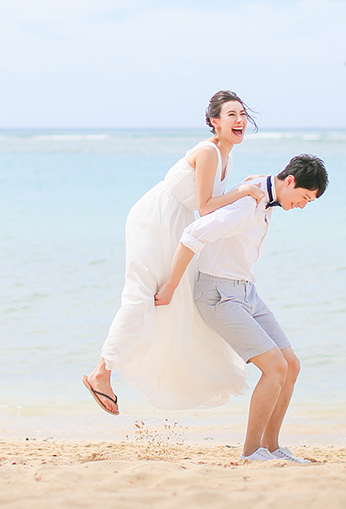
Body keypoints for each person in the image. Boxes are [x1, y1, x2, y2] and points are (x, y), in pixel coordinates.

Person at [82, 91, 265, 415]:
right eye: (231, 115)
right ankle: (101, 373)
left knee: (172, 301)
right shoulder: (209, 152)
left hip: (176, 221)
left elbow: (209, 204)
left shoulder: (226, 156)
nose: (239, 120)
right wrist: (243, 191)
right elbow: (208, 206)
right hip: (156, 217)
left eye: (242, 114)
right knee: (142, 296)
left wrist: (247, 186)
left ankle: (123, 369)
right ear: (214, 122)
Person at [154, 153, 328, 463]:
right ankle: (251, 452)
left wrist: (254, 181)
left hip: (247, 292)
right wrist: (170, 286)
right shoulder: (247, 205)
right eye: (304, 197)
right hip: (219, 295)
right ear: (290, 182)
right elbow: (193, 234)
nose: (302, 205)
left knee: (292, 365)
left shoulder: (263, 190)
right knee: (275, 368)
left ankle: (272, 448)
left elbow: (258, 181)